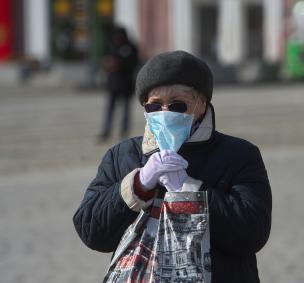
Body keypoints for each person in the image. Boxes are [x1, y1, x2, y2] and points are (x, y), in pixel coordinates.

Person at [73, 50, 272, 282]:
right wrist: (136, 186)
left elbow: (253, 234)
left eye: (177, 106)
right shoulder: (121, 155)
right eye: (154, 106)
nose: (165, 113)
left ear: (201, 105)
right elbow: (91, 231)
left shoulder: (239, 154)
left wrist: (192, 192)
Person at [98, 26, 139, 142]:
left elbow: (134, 62)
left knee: (126, 110)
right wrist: (107, 64)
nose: (117, 38)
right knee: (109, 110)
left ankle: (124, 132)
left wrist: (119, 63)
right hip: (113, 84)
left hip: (126, 84)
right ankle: (106, 131)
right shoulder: (111, 46)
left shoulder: (130, 47)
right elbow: (105, 61)